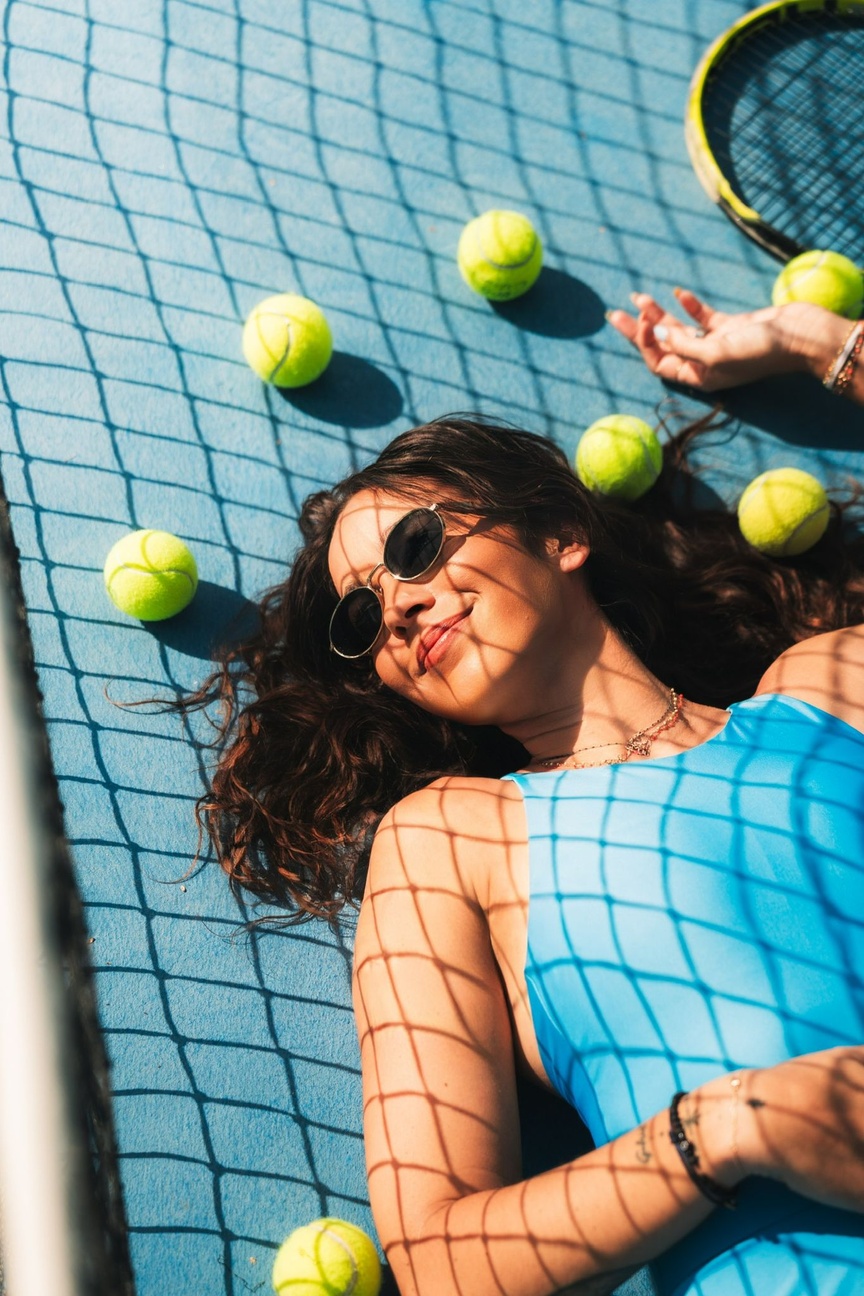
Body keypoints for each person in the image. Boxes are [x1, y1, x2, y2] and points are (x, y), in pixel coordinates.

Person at [191, 292, 864, 1296]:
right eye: (359, 618)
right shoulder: (448, 845)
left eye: (417, 547)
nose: (399, 605)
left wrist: (823, 342)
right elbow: (439, 1258)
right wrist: (722, 1130)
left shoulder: (829, 688)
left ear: (559, 533)